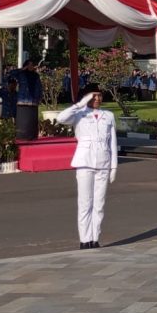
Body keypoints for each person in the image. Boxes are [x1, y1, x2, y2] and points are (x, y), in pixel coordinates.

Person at [57, 83, 117, 250]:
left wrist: (114, 167)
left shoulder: (108, 115)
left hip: (103, 162)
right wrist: (80, 104)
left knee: (99, 203)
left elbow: (112, 143)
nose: (97, 99)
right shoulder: (79, 114)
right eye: (93, 96)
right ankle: (84, 239)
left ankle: (95, 237)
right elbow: (60, 118)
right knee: (85, 203)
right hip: (84, 161)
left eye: (99, 95)